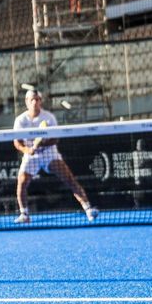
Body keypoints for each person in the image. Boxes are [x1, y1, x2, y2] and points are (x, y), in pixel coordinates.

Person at [12, 88, 97, 224]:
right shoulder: (20, 120)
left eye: (37, 99)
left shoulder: (49, 117)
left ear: (40, 101)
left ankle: (88, 209)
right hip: (30, 156)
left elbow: (55, 139)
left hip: (49, 153)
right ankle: (24, 214)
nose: (35, 102)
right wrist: (28, 150)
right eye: (32, 99)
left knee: (69, 179)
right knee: (21, 182)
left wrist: (41, 145)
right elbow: (17, 142)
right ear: (27, 102)